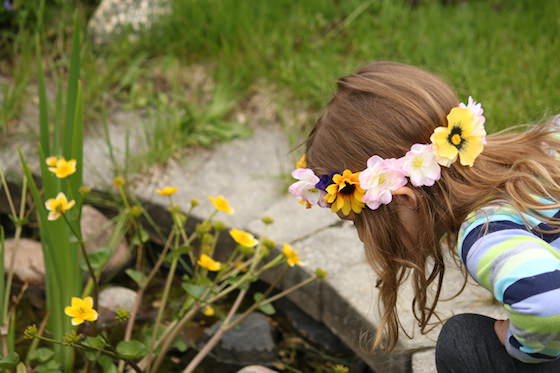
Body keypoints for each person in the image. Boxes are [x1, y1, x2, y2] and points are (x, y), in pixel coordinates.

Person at [288, 61, 560, 372]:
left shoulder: (486, 231)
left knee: (463, 343)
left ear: (402, 199)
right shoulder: (550, 139)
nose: (364, 237)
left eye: (359, 223)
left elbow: (549, 305)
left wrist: (517, 342)